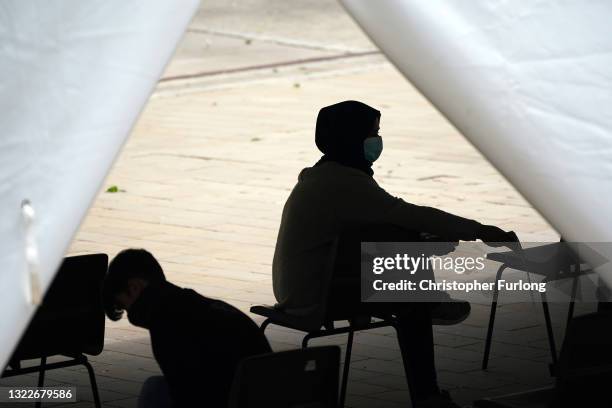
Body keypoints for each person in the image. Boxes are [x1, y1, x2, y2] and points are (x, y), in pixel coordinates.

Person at [272, 100, 517, 408]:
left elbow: (384, 223)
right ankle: (427, 392)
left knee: (401, 242)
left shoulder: (326, 176)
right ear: (351, 138)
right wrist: (478, 229)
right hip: (312, 296)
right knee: (409, 299)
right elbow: (405, 213)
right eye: (371, 133)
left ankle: (429, 301)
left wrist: (422, 241)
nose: (377, 141)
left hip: (310, 283)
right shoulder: (341, 181)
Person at [102, 249, 271, 408]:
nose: (131, 315)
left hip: (229, 400)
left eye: (125, 306)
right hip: (267, 396)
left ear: (134, 287)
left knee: (153, 391)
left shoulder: (166, 325)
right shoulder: (204, 306)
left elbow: (188, 396)